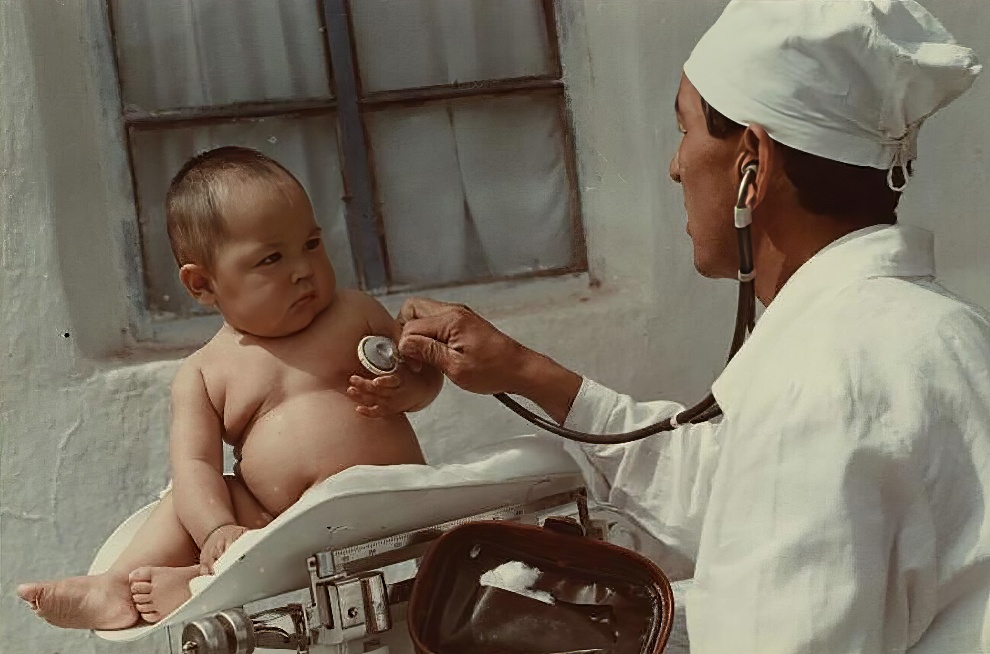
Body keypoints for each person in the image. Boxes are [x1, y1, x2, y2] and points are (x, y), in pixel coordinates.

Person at [354, 2, 990, 651]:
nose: (676, 166)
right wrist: (522, 371)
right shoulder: (940, 328)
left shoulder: (819, 383)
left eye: (683, 130)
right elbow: (719, 488)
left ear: (753, 165)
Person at [16, 146, 443, 630]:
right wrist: (217, 528)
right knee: (191, 495)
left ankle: (195, 577)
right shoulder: (204, 372)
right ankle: (123, 585)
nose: (303, 268)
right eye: (272, 258)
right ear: (202, 284)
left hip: (390, 498)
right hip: (279, 526)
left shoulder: (354, 313)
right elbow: (196, 463)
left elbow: (423, 379)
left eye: (312, 244)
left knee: (215, 511)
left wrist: (408, 391)